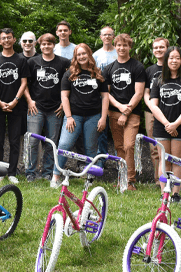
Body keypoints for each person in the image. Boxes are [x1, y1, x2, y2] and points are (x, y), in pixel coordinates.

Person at [52, 44, 109, 188]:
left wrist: (103, 118)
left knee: (90, 148)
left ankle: (89, 179)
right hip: (74, 116)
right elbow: (64, 97)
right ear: (75, 57)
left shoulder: (98, 73)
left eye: (84, 54)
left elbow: (105, 97)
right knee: (64, 144)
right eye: (79, 54)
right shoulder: (70, 73)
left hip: (93, 116)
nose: (82, 57)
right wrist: (69, 117)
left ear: (89, 54)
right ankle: (56, 176)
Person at [149, 46, 181, 203]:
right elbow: (153, 105)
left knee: (177, 160)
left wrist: (175, 124)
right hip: (161, 126)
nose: (174, 61)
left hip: (180, 127)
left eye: (177, 58)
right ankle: (164, 193)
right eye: (171, 58)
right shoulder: (158, 81)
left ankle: (175, 194)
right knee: (164, 160)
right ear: (166, 60)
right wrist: (166, 123)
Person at [25, 34, 71, 182]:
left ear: (53, 45)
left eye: (49, 44)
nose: (46, 47)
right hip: (36, 108)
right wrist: (29, 101)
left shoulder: (63, 63)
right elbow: (24, 84)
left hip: (55, 109)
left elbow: (69, 85)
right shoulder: (32, 62)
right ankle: (30, 172)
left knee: (52, 142)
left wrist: (64, 103)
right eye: (43, 44)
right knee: (32, 141)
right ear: (40, 45)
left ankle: (47, 172)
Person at [102, 33, 146, 190]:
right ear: (115, 46)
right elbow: (106, 93)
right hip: (114, 112)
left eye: (125, 45)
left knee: (129, 146)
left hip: (132, 113)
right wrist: (120, 108)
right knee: (119, 147)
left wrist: (126, 112)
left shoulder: (137, 67)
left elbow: (139, 93)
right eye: (119, 45)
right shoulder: (109, 68)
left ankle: (130, 180)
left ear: (130, 47)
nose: (121, 48)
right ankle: (122, 179)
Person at [0, 28, 29, 184]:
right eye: (3, 38)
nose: (6, 40)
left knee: (14, 140)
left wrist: (15, 101)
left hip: (16, 106)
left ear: (13, 39)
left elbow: (24, 82)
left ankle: (12, 172)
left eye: (9, 37)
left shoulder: (21, 60)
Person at [143, 37, 169, 185]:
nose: (158, 50)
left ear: (167, 49)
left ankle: (171, 178)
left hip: (170, 112)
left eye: (161, 47)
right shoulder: (150, 70)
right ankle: (159, 180)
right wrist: (152, 107)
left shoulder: (173, 68)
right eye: (156, 48)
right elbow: (145, 92)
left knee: (169, 148)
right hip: (150, 112)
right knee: (154, 147)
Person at [93, 26, 118, 157]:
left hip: (118, 96)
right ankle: (101, 157)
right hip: (101, 96)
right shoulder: (96, 55)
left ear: (113, 36)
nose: (107, 37)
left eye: (110, 34)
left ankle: (118, 157)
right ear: (100, 37)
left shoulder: (118, 53)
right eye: (104, 34)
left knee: (117, 129)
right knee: (102, 128)